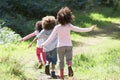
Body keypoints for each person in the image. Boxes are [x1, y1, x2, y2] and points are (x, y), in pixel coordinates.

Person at [40, 7, 96, 79]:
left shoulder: (57, 27)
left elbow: (51, 38)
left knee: (61, 61)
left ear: (59, 18)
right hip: (69, 45)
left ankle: (62, 76)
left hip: (60, 46)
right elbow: (79, 29)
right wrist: (90, 29)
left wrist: (43, 44)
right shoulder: (69, 26)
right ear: (68, 17)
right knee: (69, 59)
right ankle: (69, 67)